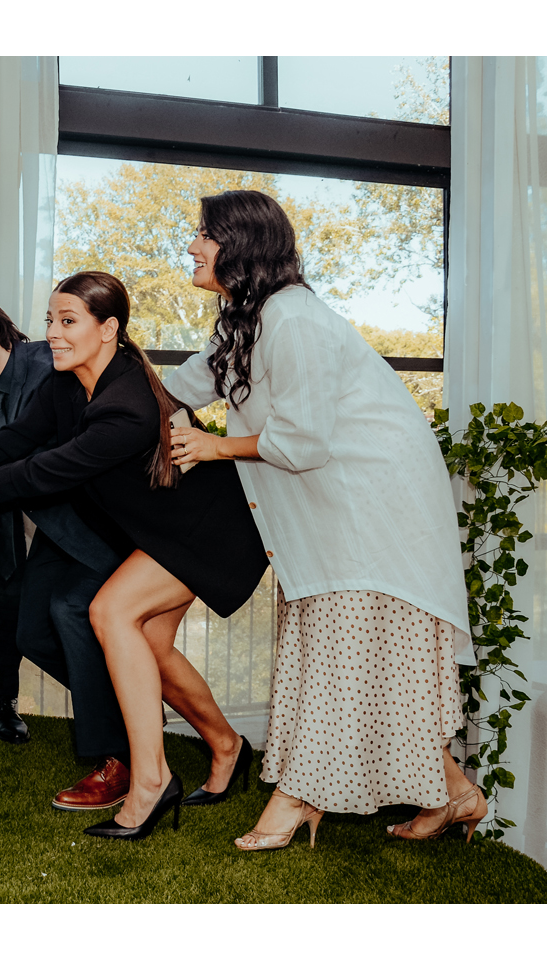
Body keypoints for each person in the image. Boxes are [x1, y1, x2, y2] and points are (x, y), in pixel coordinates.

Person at [0, 272, 268, 841]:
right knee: (152, 647)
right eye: (50, 320)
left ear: (108, 328)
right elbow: (9, 446)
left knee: (109, 611)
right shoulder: (68, 385)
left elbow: (33, 474)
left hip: (206, 531)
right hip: (159, 533)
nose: (52, 333)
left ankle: (150, 780)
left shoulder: (127, 406)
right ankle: (225, 746)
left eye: (68, 321)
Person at [164, 189, 479, 850]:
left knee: (343, 657)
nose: (192, 246)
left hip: (374, 512)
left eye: (204, 235)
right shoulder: (243, 322)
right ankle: (456, 794)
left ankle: (296, 799)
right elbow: (176, 389)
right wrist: (98, 361)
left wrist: (215, 446)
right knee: (368, 663)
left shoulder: (293, 318)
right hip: (334, 515)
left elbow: (303, 441)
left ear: (241, 245)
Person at [0, 287, 133, 798]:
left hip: (101, 523)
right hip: (53, 527)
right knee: (31, 634)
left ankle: (121, 751)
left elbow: (23, 466)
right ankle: (134, 711)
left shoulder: (49, 366)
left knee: (69, 613)